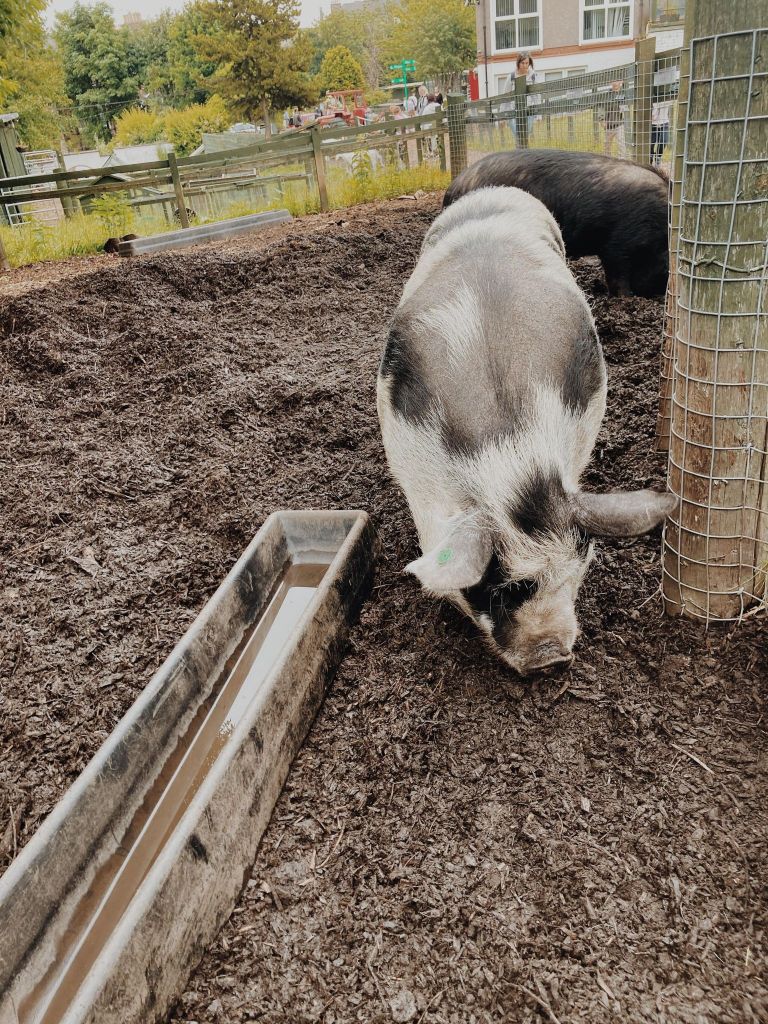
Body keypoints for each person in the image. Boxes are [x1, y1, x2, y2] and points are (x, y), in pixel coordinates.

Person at [602, 80, 627, 158]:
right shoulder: (607, 95)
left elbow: (626, 107)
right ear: (611, 83)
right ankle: (607, 160)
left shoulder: (624, 93)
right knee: (607, 144)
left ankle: (622, 160)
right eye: (613, 81)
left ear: (621, 82)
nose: (615, 83)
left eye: (617, 81)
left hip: (619, 124)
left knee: (621, 144)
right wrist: (602, 120)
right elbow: (601, 108)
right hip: (608, 125)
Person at [651, 97, 672, 166]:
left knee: (664, 141)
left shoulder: (667, 95)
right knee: (651, 143)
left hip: (664, 122)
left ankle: (658, 157)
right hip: (652, 123)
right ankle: (650, 158)